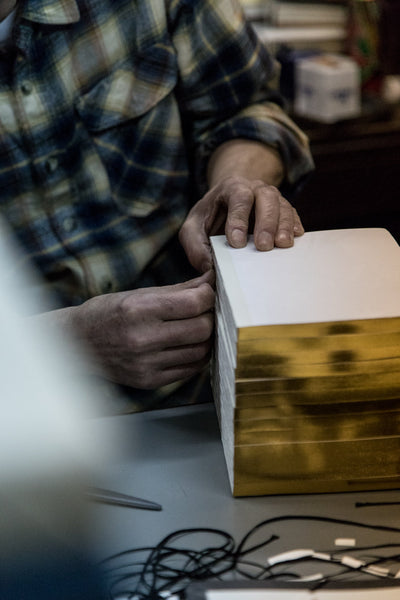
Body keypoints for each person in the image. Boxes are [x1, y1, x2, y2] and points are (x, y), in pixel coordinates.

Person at [0, 0, 314, 411]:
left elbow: (246, 105)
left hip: (212, 384)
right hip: (29, 422)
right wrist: (67, 341)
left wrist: (236, 181)